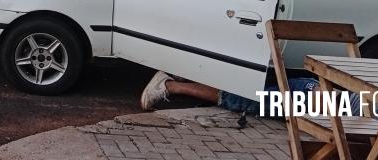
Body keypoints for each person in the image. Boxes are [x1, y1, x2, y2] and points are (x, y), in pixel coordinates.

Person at [139, 71, 362, 117]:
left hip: (312, 94)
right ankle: (169, 85)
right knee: (239, 100)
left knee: (244, 95)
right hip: (306, 100)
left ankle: (181, 78)